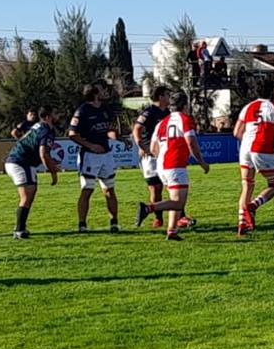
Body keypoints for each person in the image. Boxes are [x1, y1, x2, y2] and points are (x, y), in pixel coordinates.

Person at [137, 92, 210, 240]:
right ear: (185, 105)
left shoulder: (162, 122)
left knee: (173, 199)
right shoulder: (185, 119)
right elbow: (191, 142)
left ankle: (172, 231)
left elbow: (152, 147)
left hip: (162, 165)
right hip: (175, 164)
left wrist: (161, 157)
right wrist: (201, 161)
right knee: (178, 203)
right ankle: (148, 208)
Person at [133, 86, 193, 230]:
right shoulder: (149, 112)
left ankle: (179, 218)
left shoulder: (168, 113)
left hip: (163, 155)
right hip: (150, 155)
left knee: (172, 187)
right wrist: (141, 146)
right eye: (167, 94)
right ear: (160, 97)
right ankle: (157, 218)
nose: (169, 97)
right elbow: (137, 129)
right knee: (155, 188)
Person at [233, 81, 274, 236]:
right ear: (272, 92)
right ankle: (253, 206)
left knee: (247, 186)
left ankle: (242, 225)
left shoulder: (248, 107)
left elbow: (236, 132)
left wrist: (248, 139)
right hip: (262, 147)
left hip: (245, 149)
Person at [69, 84, 120, 233]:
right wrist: (90, 145)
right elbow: (72, 133)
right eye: (102, 89)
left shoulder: (105, 109)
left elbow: (108, 131)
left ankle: (114, 223)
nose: (105, 92)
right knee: (87, 190)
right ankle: (82, 225)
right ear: (96, 93)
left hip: (106, 155)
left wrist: (119, 139)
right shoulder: (82, 110)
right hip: (90, 157)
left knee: (110, 190)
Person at [4, 105, 61, 239]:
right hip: (21, 162)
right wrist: (53, 172)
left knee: (30, 193)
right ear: (48, 117)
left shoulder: (39, 126)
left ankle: (20, 226)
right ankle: (19, 230)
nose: (59, 116)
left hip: (19, 161)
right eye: (56, 113)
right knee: (27, 196)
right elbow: (43, 154)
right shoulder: (46, 130)